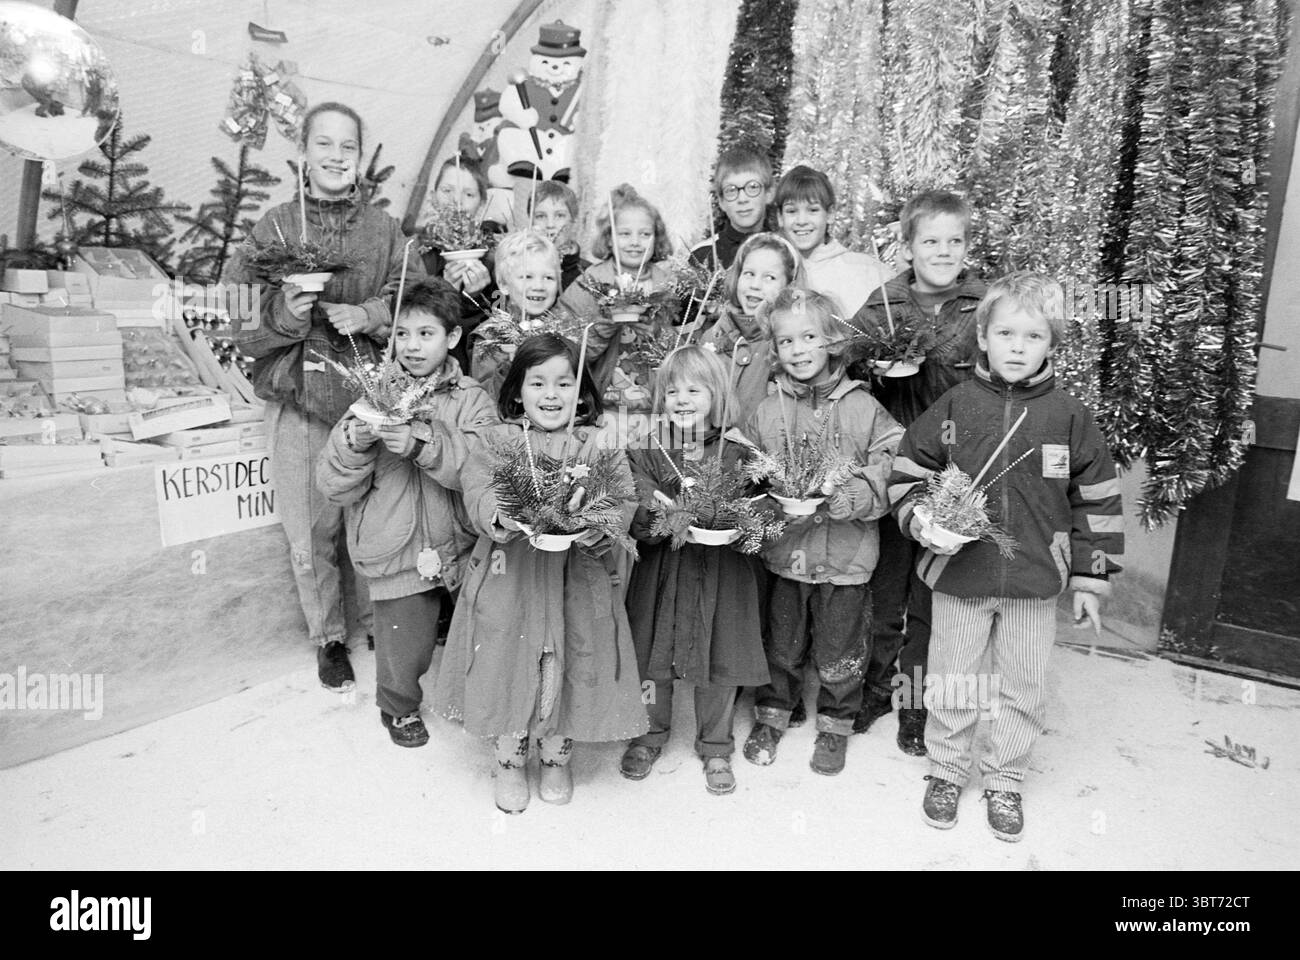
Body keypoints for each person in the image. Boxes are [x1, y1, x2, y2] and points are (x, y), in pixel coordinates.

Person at [888, 271, 1123, 841]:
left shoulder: (1069, 416)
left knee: (1022, 682)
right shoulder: (956, 403)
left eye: (1034, 336)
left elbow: (1098, 497)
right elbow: (907, 472)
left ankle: (1006, 778)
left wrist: (1091, 578)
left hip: (1035, 580)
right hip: (959, 574)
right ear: (984, 338)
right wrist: (919, 519)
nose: (1018, 347)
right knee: (952, 679)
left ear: (1052, 343)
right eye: (1006, 333)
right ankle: (946, 769)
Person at [228, 101, 426, 691]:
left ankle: (378, 622)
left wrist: (366, 313)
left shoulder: (385, 231)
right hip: (300, 399)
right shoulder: (276, 227)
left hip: (370, 399)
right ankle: (329, 637)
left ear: (359, 158)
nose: (336, 157)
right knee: (311, 530)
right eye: (325, 145)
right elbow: (234, 314)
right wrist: (285, 317)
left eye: (348, 147)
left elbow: (411, 296)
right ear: (303, 154)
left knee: (376, 519)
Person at [433, 334, 648, 813]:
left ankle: (556, 756)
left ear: (581, 393)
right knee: (507, 662)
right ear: (517, 391)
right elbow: (477, 490)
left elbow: (623, 499)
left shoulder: (596, 444)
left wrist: (598, 528)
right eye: (538, 383)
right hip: (511, 579)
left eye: (564, 384)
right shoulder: (499, 440)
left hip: (578, 580)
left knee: (567, 663)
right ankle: (510, 762)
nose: (551, 395)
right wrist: (503, 516)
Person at [316, 279, 497, 746]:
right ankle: (397, 706)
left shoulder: (471, 398)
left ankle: (479, 697)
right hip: (394, 541)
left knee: (478, 629)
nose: (411, 345)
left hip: (459, 540)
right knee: (403, 639)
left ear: (452, 338)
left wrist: (424, 443)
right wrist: (354, 444)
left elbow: (483, 465)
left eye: (426, 333)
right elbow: (332, 483)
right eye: (401, 333)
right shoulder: (373, 392)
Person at [846, 189, 988, 753]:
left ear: (967, 246)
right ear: (908, 245)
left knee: (930, 595)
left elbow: (1002, 371)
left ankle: (913, 701)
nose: (943, 251)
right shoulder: (886, 302)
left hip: (952, 474)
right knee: (885, 588)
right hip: (894, 468)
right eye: (930, 240)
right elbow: (848, 356)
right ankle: (875, 687)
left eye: (955, 241)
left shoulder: (984, 305)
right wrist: (872, 362)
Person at [740, 289, 902, 775]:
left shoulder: (864, 407)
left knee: (841, 646)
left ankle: (836, 723)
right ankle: (774, 712)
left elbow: (896, 460)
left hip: (848, 557)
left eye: (809, 336)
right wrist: (766, 501)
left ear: (831, 340)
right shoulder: (768, 410)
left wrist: (858, 493)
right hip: (787, 552)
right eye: (786, 340)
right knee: (782, 641)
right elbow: (743, 466)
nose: (798, 349)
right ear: (775, 348)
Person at [621, 346, 770, 795]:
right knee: (653, 652)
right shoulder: (647, 449)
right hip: (664, 567)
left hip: (722, 571)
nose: (681, 399)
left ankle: (716, 744)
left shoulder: (740, 450)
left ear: (718, 393)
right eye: (671, 391)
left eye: (694, 389)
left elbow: (760, 514)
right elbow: (637, 508)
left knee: (719, 655)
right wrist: (656, 513)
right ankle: (649, 734)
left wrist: (741, 519)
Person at [559, 183, 678, 411]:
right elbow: (565, 349)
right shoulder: (590, 281)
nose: (635, 242)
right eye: (624, 234)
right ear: (610, 238)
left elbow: (682, 346)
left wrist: (658, 334)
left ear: (657, 237)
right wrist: (601, 330)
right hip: (602, 401)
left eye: (645, 234)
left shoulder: (666, 283)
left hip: (655, 404)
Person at [700, 232, 804, 426]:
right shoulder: (712, 336)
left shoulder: (788, 342)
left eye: (770, 277)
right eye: (749, 274)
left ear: (789, 287)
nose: (755, 285)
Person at [420, 155, 504, 373]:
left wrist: (475, 298)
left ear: (483, 204)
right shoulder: (415, 254)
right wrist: (441, 290)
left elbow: (501, 327)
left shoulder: (496, 260)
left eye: (468, 194)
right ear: (432, 197)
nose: (456, 202)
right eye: (447, 191)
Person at [470, 230, 576, 400]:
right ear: (504, 284)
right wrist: (509, 367)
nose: (539, 285)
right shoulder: (489, 335)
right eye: (527, 277)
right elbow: (484, 398)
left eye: (549, 278)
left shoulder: (565, 330)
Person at [775, 164, 891, 318]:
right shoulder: (769, 272)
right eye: (792, 211)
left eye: (813, 210)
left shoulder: (867, 271)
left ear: (830, 214)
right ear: (780, 217)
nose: (801, 221)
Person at [690, 144, 776, 271]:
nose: (742, 199)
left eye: (752, 187)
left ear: (769, 193)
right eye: (731, 190)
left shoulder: (783, 249)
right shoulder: (702, 255)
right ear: (721, 201)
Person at [528, 180, 591, 290]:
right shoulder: (518, 269)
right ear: (530, 221)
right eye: (541, 216)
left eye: (560, 215)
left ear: (574, 220)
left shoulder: (589, 275)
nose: (550, 224)